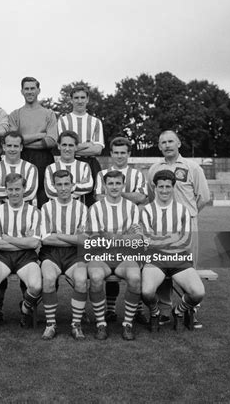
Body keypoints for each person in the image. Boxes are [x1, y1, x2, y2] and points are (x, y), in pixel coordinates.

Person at [147, 130, 210, 327]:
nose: (167, 145)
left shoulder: (192, 167)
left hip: (187, 228)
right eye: (163, 142)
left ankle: (190, 310)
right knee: (162, 267)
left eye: (170, 141)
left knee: (187, 267)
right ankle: (165, 310)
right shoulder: (154, 168)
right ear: (159, 146)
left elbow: (204, 197)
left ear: (179, 143)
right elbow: (152, 196)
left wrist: (189, 215)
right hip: (161, 227)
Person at [140, 170, 205, 332]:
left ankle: (179, 311)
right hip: (155, 260)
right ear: (155, 187)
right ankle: (155, 313)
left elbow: (186, 241)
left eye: (168, 186)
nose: (164, 190)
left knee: (198, 293)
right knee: (147, 292)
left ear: (173, 187)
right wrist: (172, 238)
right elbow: (147, 241)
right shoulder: (147, 210)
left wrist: (160, 239)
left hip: (179, 259)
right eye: (160, 186)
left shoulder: (183, 210)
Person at [94, 136, 148, 324]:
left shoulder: (137, 174)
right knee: (110, 264)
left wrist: (117, 192)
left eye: (123, 153)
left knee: (134, 265)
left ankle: (138, 309)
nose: (119, 156)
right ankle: (109, 310)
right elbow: (100, 198)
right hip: (108, 229)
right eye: (116, 152)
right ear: (111, 154)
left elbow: (141, 197)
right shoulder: (102, 173)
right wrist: (123, 195)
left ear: (129, 154)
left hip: (131, 228)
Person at [86, 170, 143, 341]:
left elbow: (137, 237)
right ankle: (101, 324)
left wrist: (112, 236)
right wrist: (124, 235)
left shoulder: (132, 207)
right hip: (101, 256)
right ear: (104, 186)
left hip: (125, 257)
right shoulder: (96, 208)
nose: (114, 187)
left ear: (123, 185)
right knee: (95, 277)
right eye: (110, 183)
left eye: (118, 183)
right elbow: (96, 238)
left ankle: (127, 324)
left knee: (134, 277)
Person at [0, 173, 42, 328]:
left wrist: (9, 239)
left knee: (36, 286)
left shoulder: (34, 212)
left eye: (17, 188)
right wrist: (24, 241)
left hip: (26, 257)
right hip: (2, 256)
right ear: (6, 190)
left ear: (24, 189)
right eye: (10, 189)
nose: (14, 192)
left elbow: (34, 243)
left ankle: (25, 309)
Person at [40, 170, 89, 340]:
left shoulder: (82, 208)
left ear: (72, 185)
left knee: (82, 280)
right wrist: (72, 238)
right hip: (51, 254)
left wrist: (58, 234)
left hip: (75, 254)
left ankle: (76, 325)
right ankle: (50, 324)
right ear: (54, 186)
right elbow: (45, 239)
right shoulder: (46, 207)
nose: (63, 188)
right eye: (59, 184)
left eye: (66, 184)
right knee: (48, 279)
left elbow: (83, 240)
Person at [9, 77, 58, 208]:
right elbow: (13, 140)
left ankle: (44, 225)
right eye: (26, 89)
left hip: (44, 157)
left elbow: (51, 141)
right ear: (21, 91)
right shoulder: (15, 115)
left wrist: (23, 141)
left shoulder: (49, 114)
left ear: (38, 90)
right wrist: (39, 135)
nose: (29, 92)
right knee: (23, 192)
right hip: (23, 157)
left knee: (44, 195)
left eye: (32, 88)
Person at [58, 85, 104, 206]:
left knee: (92, 201)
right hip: (68, 163)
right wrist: (87, 144)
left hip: (91, 163)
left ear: (87, 99)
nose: (80, 101)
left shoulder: (96, 122)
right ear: (71, 99)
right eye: (76, 97)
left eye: (83, 97)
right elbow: (63, 149)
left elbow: (98, 150)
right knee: (68, 197)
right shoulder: (63, 120)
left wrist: (73, 148)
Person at [0, 131, 38, 206]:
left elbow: (30, 193)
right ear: (4, 147)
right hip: (2, 213)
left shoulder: (31, 168)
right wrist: (19, 190)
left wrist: (2, 189)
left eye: (16, 146)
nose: (12, 149)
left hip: (25, 213)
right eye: (9, 145)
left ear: (21, 147)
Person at [44, 130, 93, 201]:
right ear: (58, 146)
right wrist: (78, 185)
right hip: (56, 211)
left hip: (78, 210)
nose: (67, 149)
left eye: (71, 145)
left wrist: (60, 188)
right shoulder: (50, 168)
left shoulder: (84, 166)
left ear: (76, 147)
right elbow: (50, 192)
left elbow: (88, 187)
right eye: (64, 145)